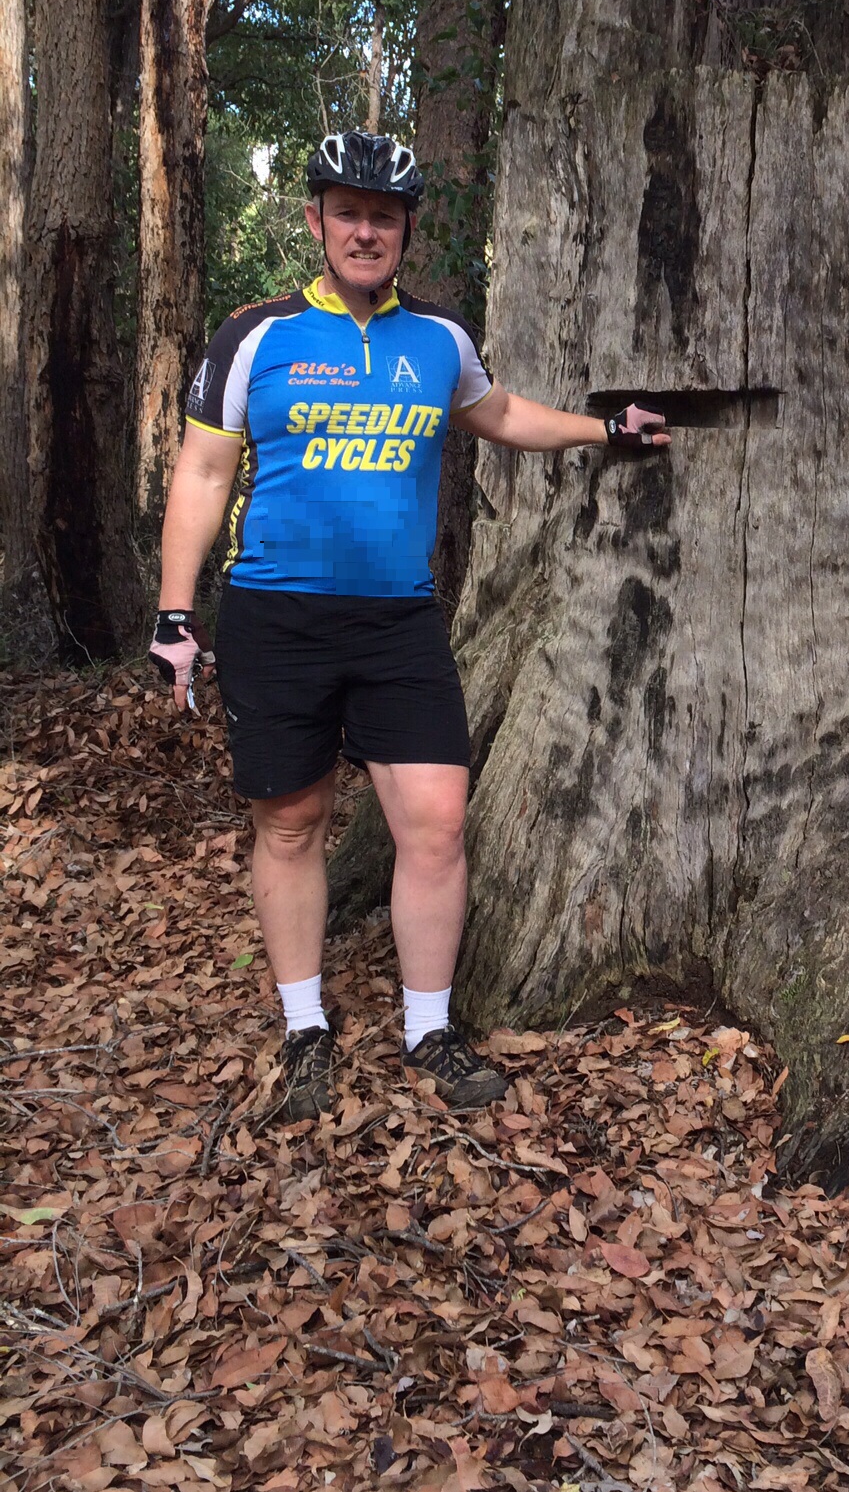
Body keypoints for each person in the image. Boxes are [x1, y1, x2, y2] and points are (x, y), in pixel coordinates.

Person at [150, 129, 668, 1122]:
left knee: (434, 824)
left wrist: (607, 429)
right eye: (347, 212)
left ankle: (429, 1030)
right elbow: (204, 472)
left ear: (405, 231)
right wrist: (176, 613)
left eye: (383, 216)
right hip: (276, 617)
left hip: (398, 621)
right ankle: (305, 1025)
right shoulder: (254, 335)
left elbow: (501, 414)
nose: (365, 230)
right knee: (290, 822)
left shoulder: (439, 340)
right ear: (317, 221)